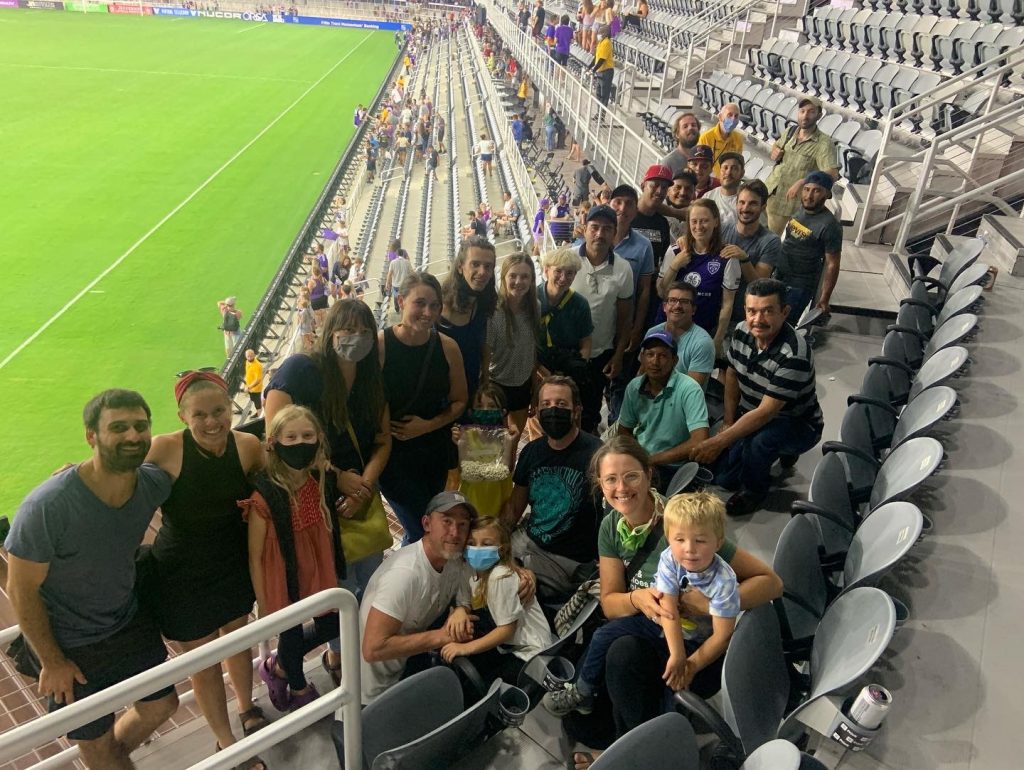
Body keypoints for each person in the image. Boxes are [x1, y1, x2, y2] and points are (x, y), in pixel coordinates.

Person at [561, 436, 783, 768]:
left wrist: (711, 603)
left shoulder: (684, 527)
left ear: (649, 475)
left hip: (697, 648)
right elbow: (610, 603)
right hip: (649, 635)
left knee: (621, 656)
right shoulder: (611, 526)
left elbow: (771, 583)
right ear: (601, 485)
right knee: (583, 716)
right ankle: (635, 746)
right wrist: (636, 598)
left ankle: (641, 757)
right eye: (610, 479)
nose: (621, 487)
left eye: (631, 475)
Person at [5, 389, 178, 769]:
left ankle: (109, 760)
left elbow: (189, 447)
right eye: (118, 428)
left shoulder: (150, 485)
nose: (133, 436)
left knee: (163, 704)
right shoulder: (47, 507)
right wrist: (52, 662)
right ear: (91, 436)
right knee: (95, 746)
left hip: (126, 620)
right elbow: (20, 588)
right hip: (69, 645)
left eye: (140, 426)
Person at [144, 373, 268, 766]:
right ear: (183, 416)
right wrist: (74, 471)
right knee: (203, 663)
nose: (212, 422)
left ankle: (247, 709)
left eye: (219, 411)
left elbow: (284, 477)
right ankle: (226, 742)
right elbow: (114, 472)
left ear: (231, 407)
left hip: (231, 564)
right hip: (180, 574)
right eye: (200, 415)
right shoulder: (164, 449)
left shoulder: (247, 446)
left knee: (237, 638)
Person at [544, 489, 738, 717]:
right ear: (669, 538)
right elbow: (669, 610)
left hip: (697, 640)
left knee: (675, 693)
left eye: (700, 540)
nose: (689, 549)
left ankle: (668, 735)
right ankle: (582, 691)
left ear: (718, 542)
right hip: (662, 623)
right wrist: (677, 656)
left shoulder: (724, 580)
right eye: (680, 540)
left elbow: (722, 636)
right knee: (603, 635)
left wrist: (689, 665)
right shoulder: (669, 558)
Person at [264, 300, 392, 600]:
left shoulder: (370, 378)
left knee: (373, 583)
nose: (356, 337)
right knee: (335, 591)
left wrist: (364, 487)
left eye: (364, 331)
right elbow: (275, 436)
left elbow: (383, 440)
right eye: (348, 329)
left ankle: (367, 644)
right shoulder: (301, 369)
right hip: (314, 498)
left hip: (360, 497)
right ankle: (338, 648)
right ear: (330, 331)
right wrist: (336, 477)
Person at [693, 279, 824, 516]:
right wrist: (729, 422)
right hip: (751, 411)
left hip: (795, 422)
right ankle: (767, 456)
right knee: (725, 478)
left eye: (768, 311)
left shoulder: (794, 354)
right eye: (752, 311)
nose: (758, 319)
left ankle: (754, 492)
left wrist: (720, 441)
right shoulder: (743, 330)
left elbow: (767, 412)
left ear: (785, 312)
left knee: (760, 443)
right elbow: (731, 373)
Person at [244, 406, 340, 712]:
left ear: (319, 439)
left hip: (316, 562)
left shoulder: (318, 477)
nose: (300, 443)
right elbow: (256, 555)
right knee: (292, 631)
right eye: (292, 436)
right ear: (274, 442)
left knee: (331, 623)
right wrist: (263, 602)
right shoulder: (265, 494)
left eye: (307, 436)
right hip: (282, 571)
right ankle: (298, 686)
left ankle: (278, 668)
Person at [359, 492, 476, 703]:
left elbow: (464, 589)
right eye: (447, 521)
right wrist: (442, 636)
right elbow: (372, 649)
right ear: (426, 523)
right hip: (372, 691)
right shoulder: (404, 575)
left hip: (408, 668)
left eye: (462, 525)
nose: (455, 532)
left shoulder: (454, 558)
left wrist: (462, 609)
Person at [379, 272, 469, 543]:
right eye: (420, 303)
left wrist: (426, 426)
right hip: (394, 458)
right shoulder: (380, 346)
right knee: (423, 529)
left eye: (434, 306)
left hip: (434, 452)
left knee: (428, 526)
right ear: (401, 301)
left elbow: (460, 401)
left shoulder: (448, 348)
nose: (427, 312)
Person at [504, 376, 603, 603]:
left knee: (510, 590)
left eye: (561, 404)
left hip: (568, 560)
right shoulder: (531, 451)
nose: (553, 410)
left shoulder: (597, 455)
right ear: (537, 411)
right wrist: (494, 541)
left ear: (576, 410)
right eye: (546, 405)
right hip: (529, 543)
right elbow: (515, 507)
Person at [440, 517, 555, 685]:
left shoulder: (499, 576)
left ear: (501, 549)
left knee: (479, 686)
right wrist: (460, 611)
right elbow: (464, 601)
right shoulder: (468, 568)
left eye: (486, 544)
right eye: (472, 542)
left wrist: (464, 649)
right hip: (509, 643)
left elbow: (506, 630)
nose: (477, 549)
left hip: (530, 651)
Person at [617, 329, 709, 485]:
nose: (655, 361)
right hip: (641, 460)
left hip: (675, 466)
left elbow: (699, 440)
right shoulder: (634, 387)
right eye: (650, 354)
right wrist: (636, 458)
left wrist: (652, 460)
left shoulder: (689, 388)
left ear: (674, 360)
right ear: (642, 358)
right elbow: (624, 429)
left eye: (663, 356)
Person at [572, 204, 634, 433]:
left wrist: (618, 356)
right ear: (585, 229)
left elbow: (625, 318)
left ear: (614, 233)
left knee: (589, 412)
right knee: (561, 408)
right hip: (566, 352)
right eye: (595, 227)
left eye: (607, 229)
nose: (600, 234)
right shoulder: (567, 260)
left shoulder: (623, 269)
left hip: (600, 354)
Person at [657, 199, 740, 357]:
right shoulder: (676, 250)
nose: (698, 227)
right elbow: (661, 292)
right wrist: (675, 265)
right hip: (666, 329)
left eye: (704, 221)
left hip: (701, 333)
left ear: (716, 222)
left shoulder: (727, 257)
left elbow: (727, 304)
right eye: (694, 221)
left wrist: (717, 340)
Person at [606, 184, 654, 424]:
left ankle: (617, 425)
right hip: (598, 326)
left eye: (629, 204)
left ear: (636, 211)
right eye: (618, 202)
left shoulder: (643, 246)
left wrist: (637, 328)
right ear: (609, 204)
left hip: (625, 326)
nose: (622, 208)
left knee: (621, 381)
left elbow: (645, 290)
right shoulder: (596, 236)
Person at [764, 96, 841, 235]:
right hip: (769, 194)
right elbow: (777, 145)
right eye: (802, 111)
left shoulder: (823, 144)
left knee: (774, 245)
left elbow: (832, 174)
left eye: (811, 111)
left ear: (819, 115)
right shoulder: (791, 131)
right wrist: (774, 151)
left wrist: (804, 181)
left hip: (789, 205)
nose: (805, 115)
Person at [773, 171, 844, 320]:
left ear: (827, 195)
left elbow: (832, 264)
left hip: (799, 285)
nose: (809, 196)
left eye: (816, 191)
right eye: (806, 189)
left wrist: (824, 298)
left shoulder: (830, 225)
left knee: (783, 326)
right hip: (778, 275)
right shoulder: (801, 210)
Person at [439, 237, 498, 409]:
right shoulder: (437, 304)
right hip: (440, 394)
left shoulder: (484, 302)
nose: (482, 272)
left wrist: (485, 381)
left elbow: (482, 345)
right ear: (460, 267)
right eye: (475, 264)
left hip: (470, 389)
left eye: (488, 266)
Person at [487, 253, 540, 437]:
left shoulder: (535, 308)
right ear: (503, 278)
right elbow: (485, 355)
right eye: (513, 276)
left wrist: (535, 389)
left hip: (522, 386)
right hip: (496, 386)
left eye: (525, 276)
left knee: (514, 439)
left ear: (532, 279)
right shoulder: (493, 312)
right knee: (492, 440)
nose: (519, 281)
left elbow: (532, 352)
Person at [720, 180, 782, 330]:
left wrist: (744, 259)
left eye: (753, 204)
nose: (745, 208)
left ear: (763, 207)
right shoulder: (721, 230)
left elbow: (759, 285)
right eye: (742, 202)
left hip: (744, 317)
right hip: (715, 310)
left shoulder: (770, 241)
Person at [536, 247, 594, 401]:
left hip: (569, 367)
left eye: (570, 273)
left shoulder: (580, 304)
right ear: (546, 270)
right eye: (558, 271)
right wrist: (543, 373)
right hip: (537, 367)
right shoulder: (531, 300)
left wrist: (577, 368)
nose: (563, 278)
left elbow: (586, 341)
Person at [646, 282, 716, 389]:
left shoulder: (702, 343)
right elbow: (643, 373)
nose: (677, 306)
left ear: (693, 310)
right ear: (665, 307)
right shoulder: (652, 332)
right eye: (673, 300)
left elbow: (690, 392)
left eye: (684, 302)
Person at [697, 103, 744, 177]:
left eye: (736, 116)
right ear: (720, 117)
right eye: (729, 115)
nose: (733, 119)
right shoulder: (706, 137)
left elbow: (737, 164)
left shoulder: (738, 139)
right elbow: (701, 165)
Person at [701, 151, 745, 229]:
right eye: (725, 168)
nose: (728, 172)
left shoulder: (747, 201)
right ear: (720, 171)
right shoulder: (708, 197)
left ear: (742, 173)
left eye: (734, 168)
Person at [589, 24, 615, 106]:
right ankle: (598, 113)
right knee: (598, 94)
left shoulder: (607, 42)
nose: (598, 35)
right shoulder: (601, 42)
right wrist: (589, 66)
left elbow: (602, 59)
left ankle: (602, 116)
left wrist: (593, 70)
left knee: (604, 95)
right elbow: (597, 57)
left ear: (604, 33)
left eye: (600, 33)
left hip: (606, 72)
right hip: (600, 71)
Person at [386, 247, 412, 314]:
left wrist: (387, 283)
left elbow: (389, 274)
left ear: (396, 254)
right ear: (403, 254)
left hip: (396, 284)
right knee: (404, 296)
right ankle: (404, 308)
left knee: (396, 296)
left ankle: (397, 308)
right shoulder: (407, 262)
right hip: (405, 284)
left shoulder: (393, 262)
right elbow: (412, 272)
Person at [244, 348, 264, 418]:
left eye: (251, 356)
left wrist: (249, 387)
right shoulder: (247, 362)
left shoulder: (257, 365)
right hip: (251, 388)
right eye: (248, 356)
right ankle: (259, 413)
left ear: (254, 355)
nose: (249, 358)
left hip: (256, 389)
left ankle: (260, 417)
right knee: (255, 401)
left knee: (257, 403)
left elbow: (258, 380)